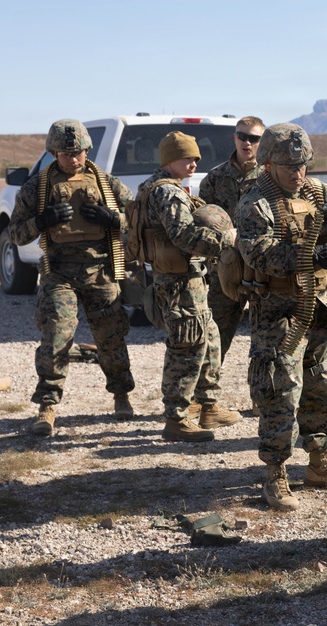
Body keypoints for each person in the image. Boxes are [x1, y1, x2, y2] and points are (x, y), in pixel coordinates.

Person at [235, 123, 327, 511]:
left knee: (322, 385)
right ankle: (275, 472)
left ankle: (320, 461)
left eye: (303, 164)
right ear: (269, 163)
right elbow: (257, 253)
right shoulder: (255, 201)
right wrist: (310, 256)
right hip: (280, 314)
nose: (298, 173)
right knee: (280, 391)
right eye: (289, 165)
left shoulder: (319, 192)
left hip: (321, 308)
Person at [8, 119, 135, 436]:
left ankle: (121, 395)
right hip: (58, 272)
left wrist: (113, 219)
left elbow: (138, 220)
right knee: (56, 337)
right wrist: (42, 220)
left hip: (100, 271)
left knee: (111, 336)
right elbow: (15, 234)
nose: (73, 159)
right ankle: (48, 406)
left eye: (77, 152)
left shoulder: (106, 183)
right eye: (65, 153)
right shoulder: (37, 188)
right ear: (53, 152)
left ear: (87, 150)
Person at [136, 131, 241, 442]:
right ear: (170, 159)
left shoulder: (162, 187)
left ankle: (208, 405)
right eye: (187, 157)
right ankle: (177, 418)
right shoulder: (167, 193)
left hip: (189, 279)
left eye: (196, 157)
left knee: (209, 341)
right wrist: (227, 241)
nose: (194, 162)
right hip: (178, 282)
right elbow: (183, 236)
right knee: (186, 348)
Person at [199, 116, 264, 368]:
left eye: (254, 138)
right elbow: (202, 223)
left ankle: (266, 403)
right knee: (214, 336)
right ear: (235, 138)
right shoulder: (215, 178)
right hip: (225, 269)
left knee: (265, 339)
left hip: (261, 270)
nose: (247, 142)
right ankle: (203, 399)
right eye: (242, 136)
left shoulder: (269, 177)